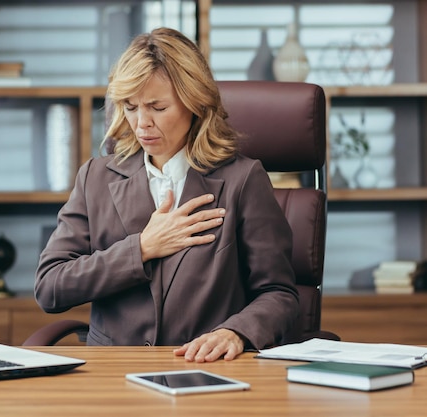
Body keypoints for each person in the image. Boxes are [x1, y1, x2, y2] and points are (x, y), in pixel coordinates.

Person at [35, 27, 299, 362]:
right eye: (130, 107)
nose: (141, 123)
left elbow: (279, 293)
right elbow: (50, 287)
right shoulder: (95, 179)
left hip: (205, 373)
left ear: (194, 103)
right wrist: (141, 248)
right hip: (114, 377)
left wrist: (236, 332)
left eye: (157, 107)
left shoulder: (242, 180)